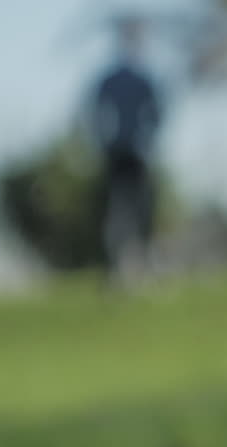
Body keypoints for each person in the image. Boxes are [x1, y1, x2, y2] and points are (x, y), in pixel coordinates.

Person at [90, 15, 163, 281]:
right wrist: (103, 140)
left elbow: (156, 114)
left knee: (143, 210)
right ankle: (117, 269)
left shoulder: (144, 79)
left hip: (138, 153)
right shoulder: (111, 79)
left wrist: (148, 137)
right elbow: (97, 112)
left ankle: (145, 267)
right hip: (118, 152)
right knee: (118, 210)